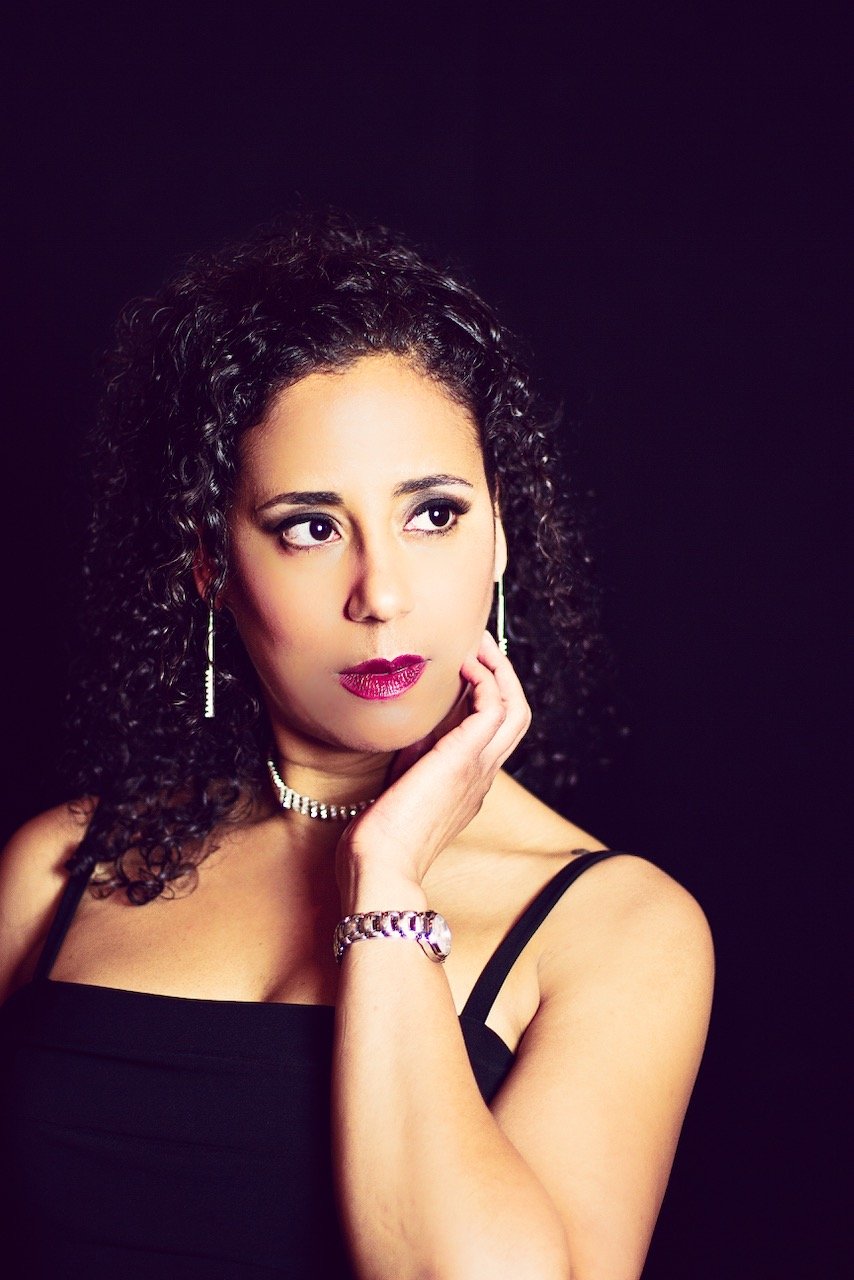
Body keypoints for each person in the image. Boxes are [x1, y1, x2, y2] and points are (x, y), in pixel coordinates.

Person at [0, 212, 713, 1280]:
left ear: (499, 531)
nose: (381, 594)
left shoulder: (617, 930)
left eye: (431, 514)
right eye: (309, 524)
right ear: (209, 563)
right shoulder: (57, 869)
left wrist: (384, 877)